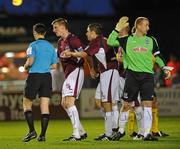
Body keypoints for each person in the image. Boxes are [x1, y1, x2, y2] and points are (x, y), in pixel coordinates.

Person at [107, 16, 171, 141]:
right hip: (132, 75)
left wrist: (164, 68)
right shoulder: (126, 40)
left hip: (148, 76)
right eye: (146, 25)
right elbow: (110, 41)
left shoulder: (151, 40)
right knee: (126, 105)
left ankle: (147, 133)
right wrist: (116, 29)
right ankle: (121, 131)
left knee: (147, 104)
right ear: (139, 26)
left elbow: (158, 56)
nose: (148, 27)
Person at [63, 23, 120, 141]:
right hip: (105, 73)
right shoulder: (100, 41)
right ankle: (111, 129)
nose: (86, 33)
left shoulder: (98, 41)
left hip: (110, 72)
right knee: (100, 101)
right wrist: (93, 68)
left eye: (88, 31)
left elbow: (84, 54)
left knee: (108, 102)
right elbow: (89, 54)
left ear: (93, 33)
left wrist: (70, 53)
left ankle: (111, 132)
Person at [52, 18, 87, 141]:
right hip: (68, 74)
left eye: (55, 27)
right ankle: (81, 131)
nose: (54, 30)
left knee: (69, 102)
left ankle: (76, 134)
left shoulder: (73, 39)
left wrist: (71, 53)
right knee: (63, 103)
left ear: (62, 27)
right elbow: (58, 59)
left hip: (76, 71)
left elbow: (84, 54)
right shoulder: (60, 41)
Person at [22, 23, 57, 142]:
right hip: (47, 77)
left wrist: (25, 66)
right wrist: (44, 65)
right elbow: (54, 66)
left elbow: (30, 62)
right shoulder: (51, 47)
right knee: (45, 106)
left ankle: (32, 131)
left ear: (34, 33)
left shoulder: (33, 45)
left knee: (27, 103)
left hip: (34, 76)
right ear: (45, 33)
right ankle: (42, 135)